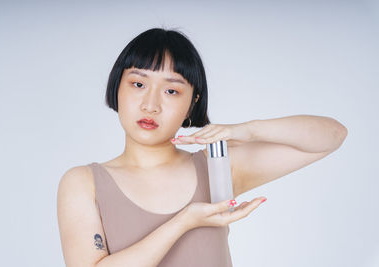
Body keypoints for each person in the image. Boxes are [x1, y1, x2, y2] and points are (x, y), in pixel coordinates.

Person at [57, 27, 347, 267]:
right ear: (117, 86)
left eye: (171, 90)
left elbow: (332, 135)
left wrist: (247, 130)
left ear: (192, 103)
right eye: (138, 84)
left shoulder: (216, 168)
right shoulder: (84, 183)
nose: (151, 104)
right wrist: (184, 221)